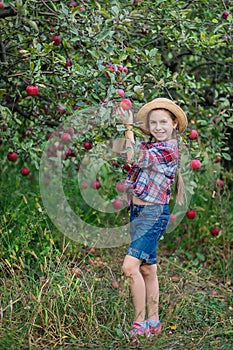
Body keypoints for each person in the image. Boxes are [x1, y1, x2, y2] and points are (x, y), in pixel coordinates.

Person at [119, 97, 188, 342]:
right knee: (148, 269)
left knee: (130, 267)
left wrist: (127, 128)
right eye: (154, 123)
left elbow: (134, 157)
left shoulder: (169, 149)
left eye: (164, 122)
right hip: (139, 214)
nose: (159, 127)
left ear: (174, 126)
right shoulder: (151, 146)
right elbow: (131, 160)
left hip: (152, 215)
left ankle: (139, 324)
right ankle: (154, 322)